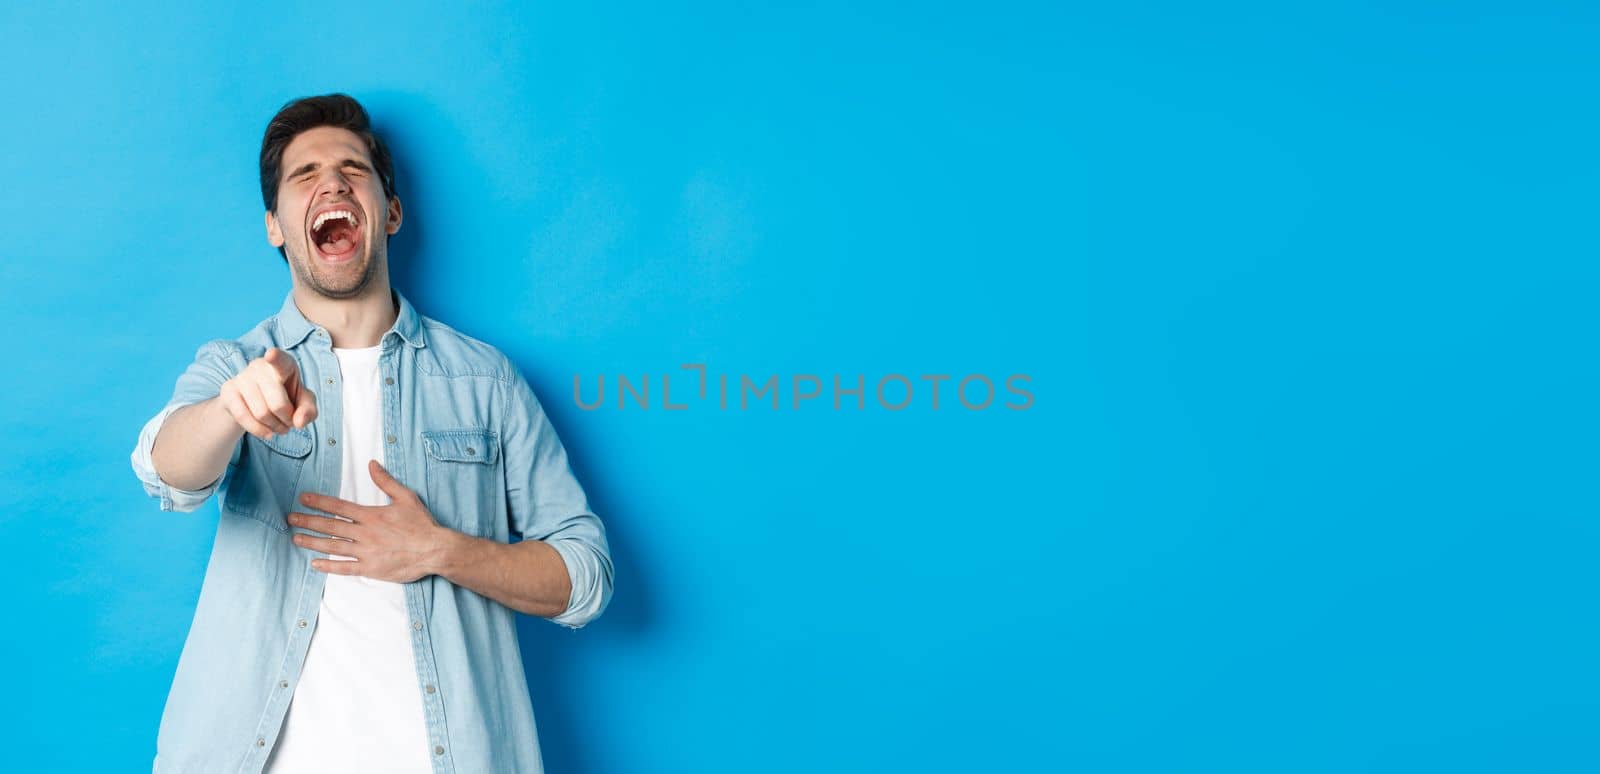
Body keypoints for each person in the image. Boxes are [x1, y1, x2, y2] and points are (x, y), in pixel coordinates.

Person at [129, 93, 613, 774]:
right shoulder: (234, 366)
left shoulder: (487, 380)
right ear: (275, 225)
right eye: (305, 176)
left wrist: (442, 550)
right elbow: (164, 469)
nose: (331, 183)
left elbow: (586, 576)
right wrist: (229, 412)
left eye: (353, 169)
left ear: (389, 211)